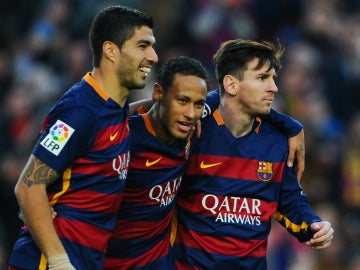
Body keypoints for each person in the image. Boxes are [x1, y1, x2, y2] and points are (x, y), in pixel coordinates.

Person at [8, 5, 158, 270]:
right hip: (49, 262)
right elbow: (28, 187)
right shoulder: (79, 111)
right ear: (111, 50)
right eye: (143, 46)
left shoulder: (113, 106)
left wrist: (166, 109)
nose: (153, 56)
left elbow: (116, 122)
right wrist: (59, 261)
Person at [172, 39, 334, 269]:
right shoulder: (194, 132)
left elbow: (289, 201)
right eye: (262, 78)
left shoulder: (277, 142)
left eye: (273, 79)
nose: (274, 87)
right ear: (231, 84)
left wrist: (314, 225)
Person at [103, 55, 209, 269]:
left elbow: (233, 99)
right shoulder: (125, 138)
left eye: (198, 105)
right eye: (182, 101)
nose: (190, 113)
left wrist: (290, 127)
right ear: (158, 93)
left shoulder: (189, 128)